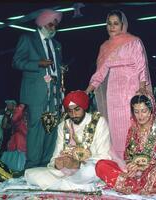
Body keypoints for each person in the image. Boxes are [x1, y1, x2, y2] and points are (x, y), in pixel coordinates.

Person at [85, 10, 152, 161]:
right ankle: (119, 164)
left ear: (123, 25)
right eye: (109, 23)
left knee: (133, 126)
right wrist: (87, 91)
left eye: (116, 23)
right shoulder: (105, 47)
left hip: (132, 89)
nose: (112, 27)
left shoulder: (134, 42)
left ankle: (136, 162)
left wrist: (142, 87)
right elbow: (100, 73)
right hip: (113, 93)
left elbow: (141, 66)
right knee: (115, 129)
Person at [25, 90, 111, 191]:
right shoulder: (63, 126)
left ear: (84, 107)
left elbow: (105, 156)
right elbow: (54, 158)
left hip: (87, 169)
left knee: (90, 171)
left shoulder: (99, 122)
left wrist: (77, 164)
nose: (73, 114)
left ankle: (64, 185)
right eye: (70, 111)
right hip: (65, 172)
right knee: (30, 173)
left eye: (77, 109)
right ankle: (78, 186)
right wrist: (57, 164)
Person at [95, 94, 156, 195]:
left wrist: (146, 165)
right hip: (134, 175)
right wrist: (131, 167)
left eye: (144, 111)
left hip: (154, 171)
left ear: (151, 110)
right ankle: (148, 190)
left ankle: (130, 188)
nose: (140, 116)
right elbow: (127, 156)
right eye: (136, 112)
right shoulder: (133, 129)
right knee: (101, 165)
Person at [13, 9, 64, 168]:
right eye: (50, 24)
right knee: (36, 129)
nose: (53, 28)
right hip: (36, 94)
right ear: (42, 23)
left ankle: (46, 164)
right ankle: (32, 166)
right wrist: (37, 64)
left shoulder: (56, 45)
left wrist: (61, 74)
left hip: (54, 93)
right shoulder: (27, 39)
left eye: (55, 25)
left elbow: (56, 68)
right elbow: (16, 62)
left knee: (52, 127)